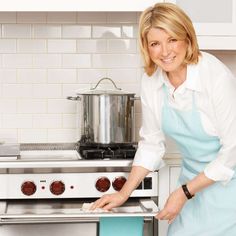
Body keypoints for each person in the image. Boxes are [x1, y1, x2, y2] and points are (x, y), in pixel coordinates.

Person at [91, 2, 236, 235]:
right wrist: (123, 193)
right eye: (155, 44)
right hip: (193, 189)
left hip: (229, 192)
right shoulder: (152, 81)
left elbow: (231, 153)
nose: (165, 52)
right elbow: (151, 143)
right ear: (146, 48)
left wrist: (183, 193)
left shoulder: (216, 77)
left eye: (172, 40)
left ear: (186, 38)